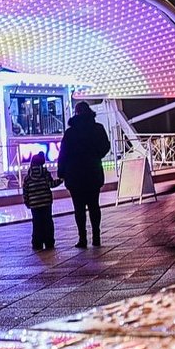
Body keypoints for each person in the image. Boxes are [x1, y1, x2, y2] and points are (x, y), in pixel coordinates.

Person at [56, 100, 111, 248]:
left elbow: (63, 154)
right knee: (94, 206)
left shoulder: (70, 132)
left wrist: (61, 172)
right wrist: (96, 155)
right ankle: (96, 236)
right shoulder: (97, 128)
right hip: (93, 172)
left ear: (76, 113)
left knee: (79, 209)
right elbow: (106, 146)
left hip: (75, 175)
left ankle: (82, 238)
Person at [22, 151, 57, 252]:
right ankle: (49, 242)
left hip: (34, 204)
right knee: (48, 222)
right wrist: (61, 180)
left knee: (37, 223)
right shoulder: (45, 173)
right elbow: (51, 184)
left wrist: (27, 202)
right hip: (46, 202)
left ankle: (37, 243)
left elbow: (25, 191)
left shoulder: (28, 177)